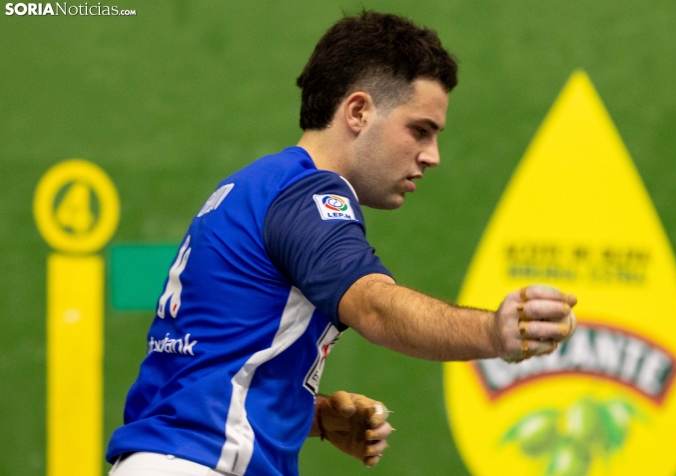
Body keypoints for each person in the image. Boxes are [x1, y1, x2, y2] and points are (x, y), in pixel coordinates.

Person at [106, 10, 577, 476]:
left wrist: (311, 416)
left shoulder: (253, 187)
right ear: (357, 111)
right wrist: (493, 333)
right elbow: (374, 307)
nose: (431, 156)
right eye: (420, 130)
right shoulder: (310, 194)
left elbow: (205, 369)